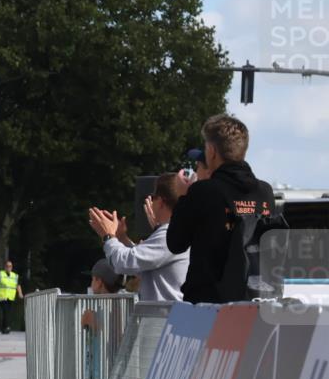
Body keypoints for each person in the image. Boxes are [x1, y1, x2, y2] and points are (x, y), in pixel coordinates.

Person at [167, 114, 274, 303]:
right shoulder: (264, 192)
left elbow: (176, 243)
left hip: (208, 305)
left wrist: (184, 196)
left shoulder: (203, 191)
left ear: (212, 150)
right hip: (254, 302)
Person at [88, 172, 189, 301]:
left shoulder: (170, 235)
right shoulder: (177, 233)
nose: (150, 202)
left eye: (153, 197)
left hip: (164, 319)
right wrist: (121, 238)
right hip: (167, 318)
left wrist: (108, 236)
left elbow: (124, 263)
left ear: (161, 202)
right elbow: (140, 265)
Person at [0, 260, 24, 334]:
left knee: (7, 312)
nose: (8, 267)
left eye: (10, 266)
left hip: (10, 297)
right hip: (2, 296)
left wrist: (20, 293)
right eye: (7, 266)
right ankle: (7, 327)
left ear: (12, 267)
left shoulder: (15, 276)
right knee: (5, 310)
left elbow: (18, 285)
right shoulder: (0, 274)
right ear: (5, 267)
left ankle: (4, 328)